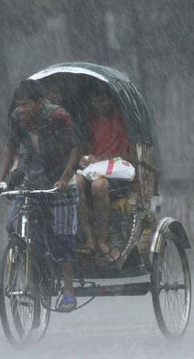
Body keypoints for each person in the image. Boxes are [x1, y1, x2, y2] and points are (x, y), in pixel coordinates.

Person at [0, 79, 83, 312]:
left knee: (63, 237)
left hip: (58, 180)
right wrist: (1, 179)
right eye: (19, 105)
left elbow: (75, 147)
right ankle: (33, 269)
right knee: (15, 225)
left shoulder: (58, 117)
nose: (22, 110)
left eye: (26, 105)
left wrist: (65, 177)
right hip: (31, 178)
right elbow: (9, 149)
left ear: (40, 102)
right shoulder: (17, 119)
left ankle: (69, 291)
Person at [75, 82, 131, 263]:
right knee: (75, 183)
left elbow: (129, 155)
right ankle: (88, 238)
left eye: (102, 101)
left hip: (118, 173)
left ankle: (102, 239)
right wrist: (85, 158)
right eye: (94, 102)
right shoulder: (90, 121)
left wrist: (100, 158)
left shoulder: (123, 120)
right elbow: (85, 149)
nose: (99, 106)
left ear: (110, 100)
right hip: (95, 170)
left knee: (100, 185)